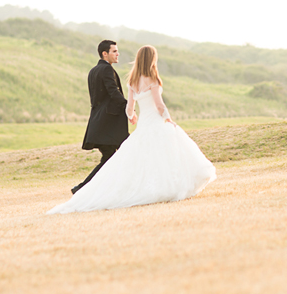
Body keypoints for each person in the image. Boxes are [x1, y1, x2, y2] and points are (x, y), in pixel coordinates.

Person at [48, 45, 216, 214]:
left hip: (143, 123)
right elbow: (159, 104)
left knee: (142, 157)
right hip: (156, 121)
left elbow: (129, 107)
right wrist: (168, 118)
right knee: (167, 151)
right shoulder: (153, 79)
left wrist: (132, 116)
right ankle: (167, 185)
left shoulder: (132, 81)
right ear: (152, 59)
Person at [71, 39, 130, 194]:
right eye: (114, 51)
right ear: (105, 54)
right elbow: (113, 93)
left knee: (110, 158)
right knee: (126, 151)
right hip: (108, 126)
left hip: (99, 124)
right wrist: (129, 106)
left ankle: (83, 188)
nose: (118, 54)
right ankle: (83, 188)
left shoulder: (93, 71)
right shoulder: (106, 70)